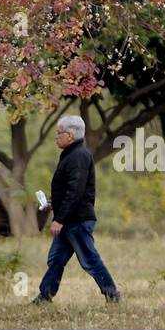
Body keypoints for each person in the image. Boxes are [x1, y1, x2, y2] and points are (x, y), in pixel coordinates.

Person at [33, 115, 120, 305]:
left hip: (77, 220)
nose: (56, 137)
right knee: (56, 259)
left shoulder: (78, 156)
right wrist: (52, 203)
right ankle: (44, 297)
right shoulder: (71, 154)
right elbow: (68, 191)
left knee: (89, 259)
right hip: (69, 219)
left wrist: (59, 219)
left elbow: (75, 192)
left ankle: (112, 294)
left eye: (59, 133)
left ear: (70, 135)